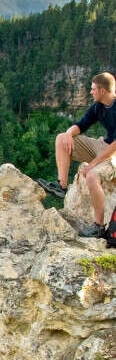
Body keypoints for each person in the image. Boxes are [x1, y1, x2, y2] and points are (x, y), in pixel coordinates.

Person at [37, 72, 116, 238]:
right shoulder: (98, 106)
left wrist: (94, 163)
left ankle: (99, 227)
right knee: (61, 140)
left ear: (102, 90)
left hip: (114, 153)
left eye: (93, 89)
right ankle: (61, 186)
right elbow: (81, 125)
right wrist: (68, 133)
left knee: (92, 176)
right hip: (103, 145)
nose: (90, 91)